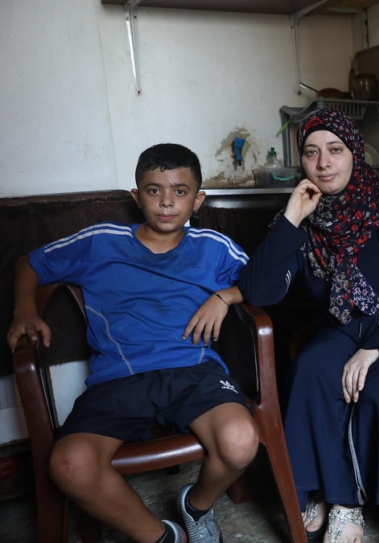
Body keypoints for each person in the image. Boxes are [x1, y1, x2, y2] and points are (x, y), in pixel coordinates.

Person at [6, 143, 257, 543]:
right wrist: (24, 311)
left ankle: (198, 506)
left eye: (180, 190)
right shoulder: (102, 240)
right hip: (119, 378)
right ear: (136, 196)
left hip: (193, 371)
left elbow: (261, 282)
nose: (167, 202)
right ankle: (162, 536)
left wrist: (224, 296)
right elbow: (30, 263)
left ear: (198, 200)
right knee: (70, 465)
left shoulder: (212, 247)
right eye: (154, 190)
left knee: (241, 441)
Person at [238, 108, 379, 543]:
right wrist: (292, 216)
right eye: (312, 153)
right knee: (313, 368)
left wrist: (373, 348)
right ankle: (332, 494)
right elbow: (258, 291)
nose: (324, 163)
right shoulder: (308, 217)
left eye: (335, 150)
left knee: (375, 381)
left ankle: (350, 501)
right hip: (349, 325)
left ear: (355, 153)